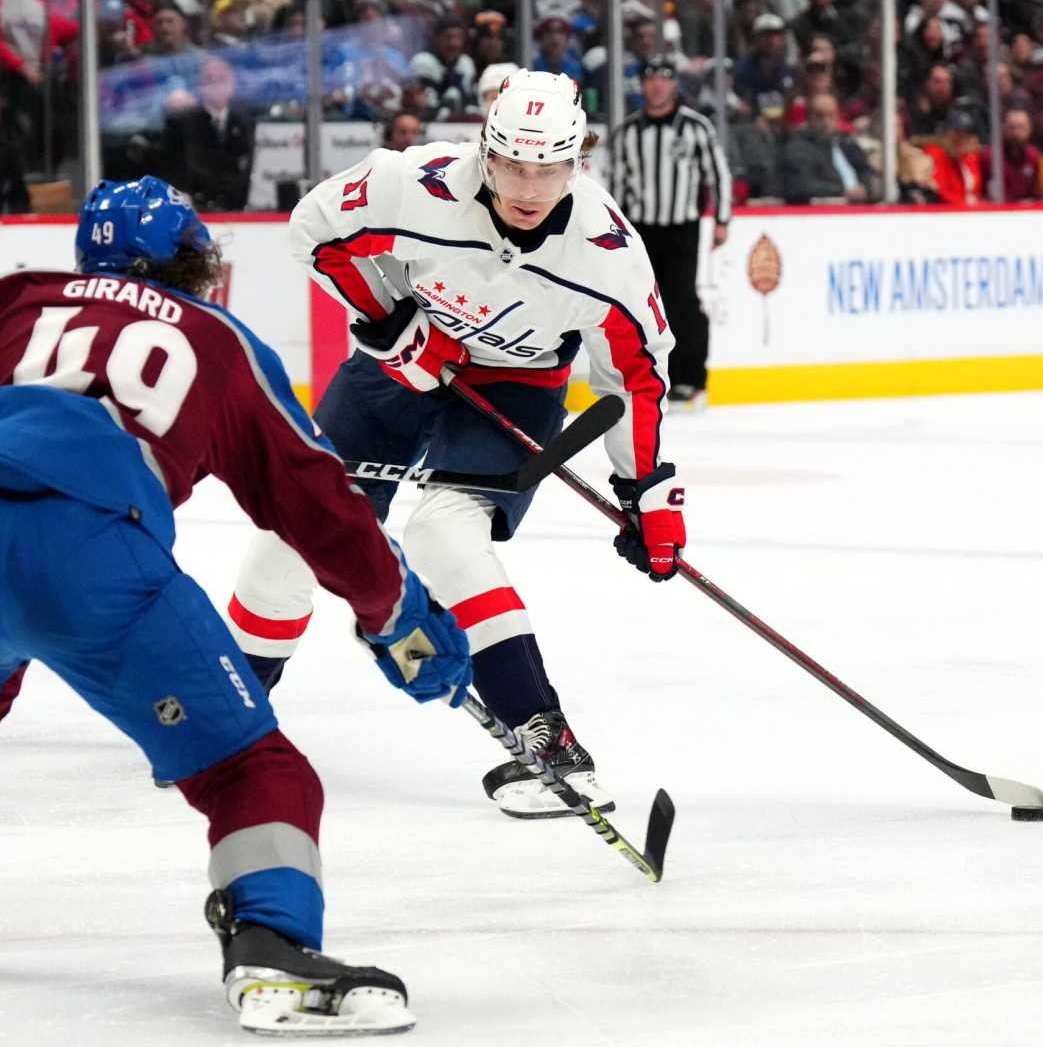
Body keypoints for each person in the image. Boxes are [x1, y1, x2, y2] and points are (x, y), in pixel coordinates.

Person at [0, 178, 469, 1037]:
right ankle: (272, 944)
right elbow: (318, 502)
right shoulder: (221, 343)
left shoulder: (17, 299)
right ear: (196, 266)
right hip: (90, 547)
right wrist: (395, 613)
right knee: (254, 768)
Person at [226, 69, 682, 820]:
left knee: (444, 531)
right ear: (484, 149)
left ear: (578, 163)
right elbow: (315, 228)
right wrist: (389, 321)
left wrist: (648, 490)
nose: (529, 188)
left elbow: (633, 377)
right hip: (395, 368)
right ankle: (232, 712)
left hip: (517, 387)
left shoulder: (606, 251)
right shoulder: (414, 182)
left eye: (550, 170)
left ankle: (546, 737)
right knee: (292, 540)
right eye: (511, 166)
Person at [609, 52, 731, 408]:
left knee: (682, 301)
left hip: (682, 227)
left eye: (664, 78)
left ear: (674, 84)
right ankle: (650, 377)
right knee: (643, 305)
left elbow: (718, 174)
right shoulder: (627, 132)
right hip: (641, 229)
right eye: (650, 78)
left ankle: (690, 378)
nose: (657, 85)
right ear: (643, 85)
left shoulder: (695, 127)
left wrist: (722, 220)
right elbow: (615, 184)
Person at [152, 56, 255, 211]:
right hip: (194, 211)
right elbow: (170, 168)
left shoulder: (244, 122)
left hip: (236, 210)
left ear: (232, 84)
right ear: (201, 84)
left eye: (221, 78)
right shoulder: (182, 123)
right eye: (209, 79)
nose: (215, 84)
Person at [780, 91, 875, 204]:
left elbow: (864, 170)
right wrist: (842, 191)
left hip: (862, 207)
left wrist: (864, 187)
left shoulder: (847, 142)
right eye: (820, 116)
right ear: (809, 118)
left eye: (831, 115)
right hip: (824, 211)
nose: (826, 121)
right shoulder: (798, 147)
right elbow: (802, 185)